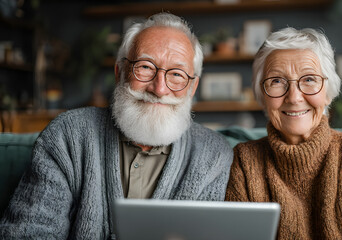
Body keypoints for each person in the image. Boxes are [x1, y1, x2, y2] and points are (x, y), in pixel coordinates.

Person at [0, 13, 233, 239]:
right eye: (145, 67)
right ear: (119, 72)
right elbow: (28, 232)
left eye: (177, 74)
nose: (159, 89)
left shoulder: (214, 155)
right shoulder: (66, 136)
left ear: (192, 87)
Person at [225, 27, 342, 239]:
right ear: (262, 95)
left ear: (328, 92)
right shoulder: (243, 163)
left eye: (309, 79)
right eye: (277, 81)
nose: (294, 97)